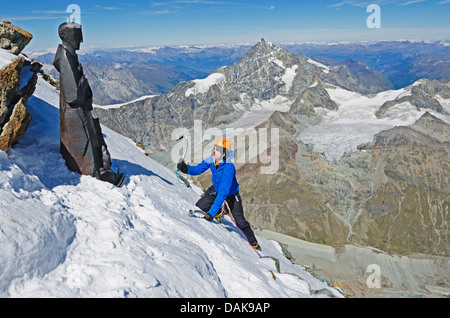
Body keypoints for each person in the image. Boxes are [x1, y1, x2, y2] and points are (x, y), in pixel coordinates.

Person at [53, 21, 124, 187]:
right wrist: (84, 83)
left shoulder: (70, 56)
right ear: (67, 36)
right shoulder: (65, 58)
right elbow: (73, 96)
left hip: (80, 112)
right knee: (86, 145)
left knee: (94, 141)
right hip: (75, 115)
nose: (81, 40)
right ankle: (96, 172)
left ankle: (100, 169)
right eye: (78, 35)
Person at [177, 138, 261, 251]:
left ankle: (253, 242)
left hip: (230, 194)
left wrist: (211, 213)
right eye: (214, 148)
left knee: (240, 221)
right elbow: (198, 169)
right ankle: (219, 211)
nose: (214, 150)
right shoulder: (211, 160)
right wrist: (185, 168)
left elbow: (223, 192)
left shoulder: (229, 167)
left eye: (218, 149)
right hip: (216, 189)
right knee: (201, 206)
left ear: (224, 153)